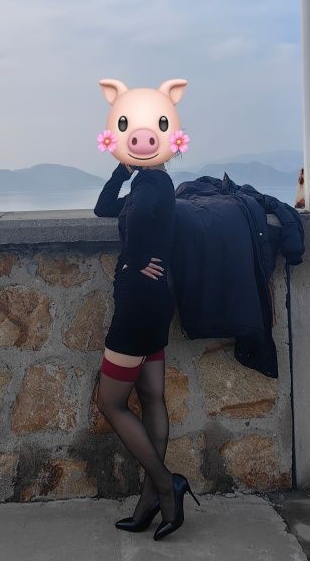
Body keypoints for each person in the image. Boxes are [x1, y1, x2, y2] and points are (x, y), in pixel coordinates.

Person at [93, 158, 199, 539]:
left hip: (137, 305)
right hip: (155, 301)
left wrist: (135, 261)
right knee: (152, 396)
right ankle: (149, 502)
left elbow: (136, 219)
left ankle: (167, 485)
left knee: (110, 402)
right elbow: (104, 207)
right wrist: (122, 170)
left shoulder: (150, 185)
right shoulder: (153, 183)